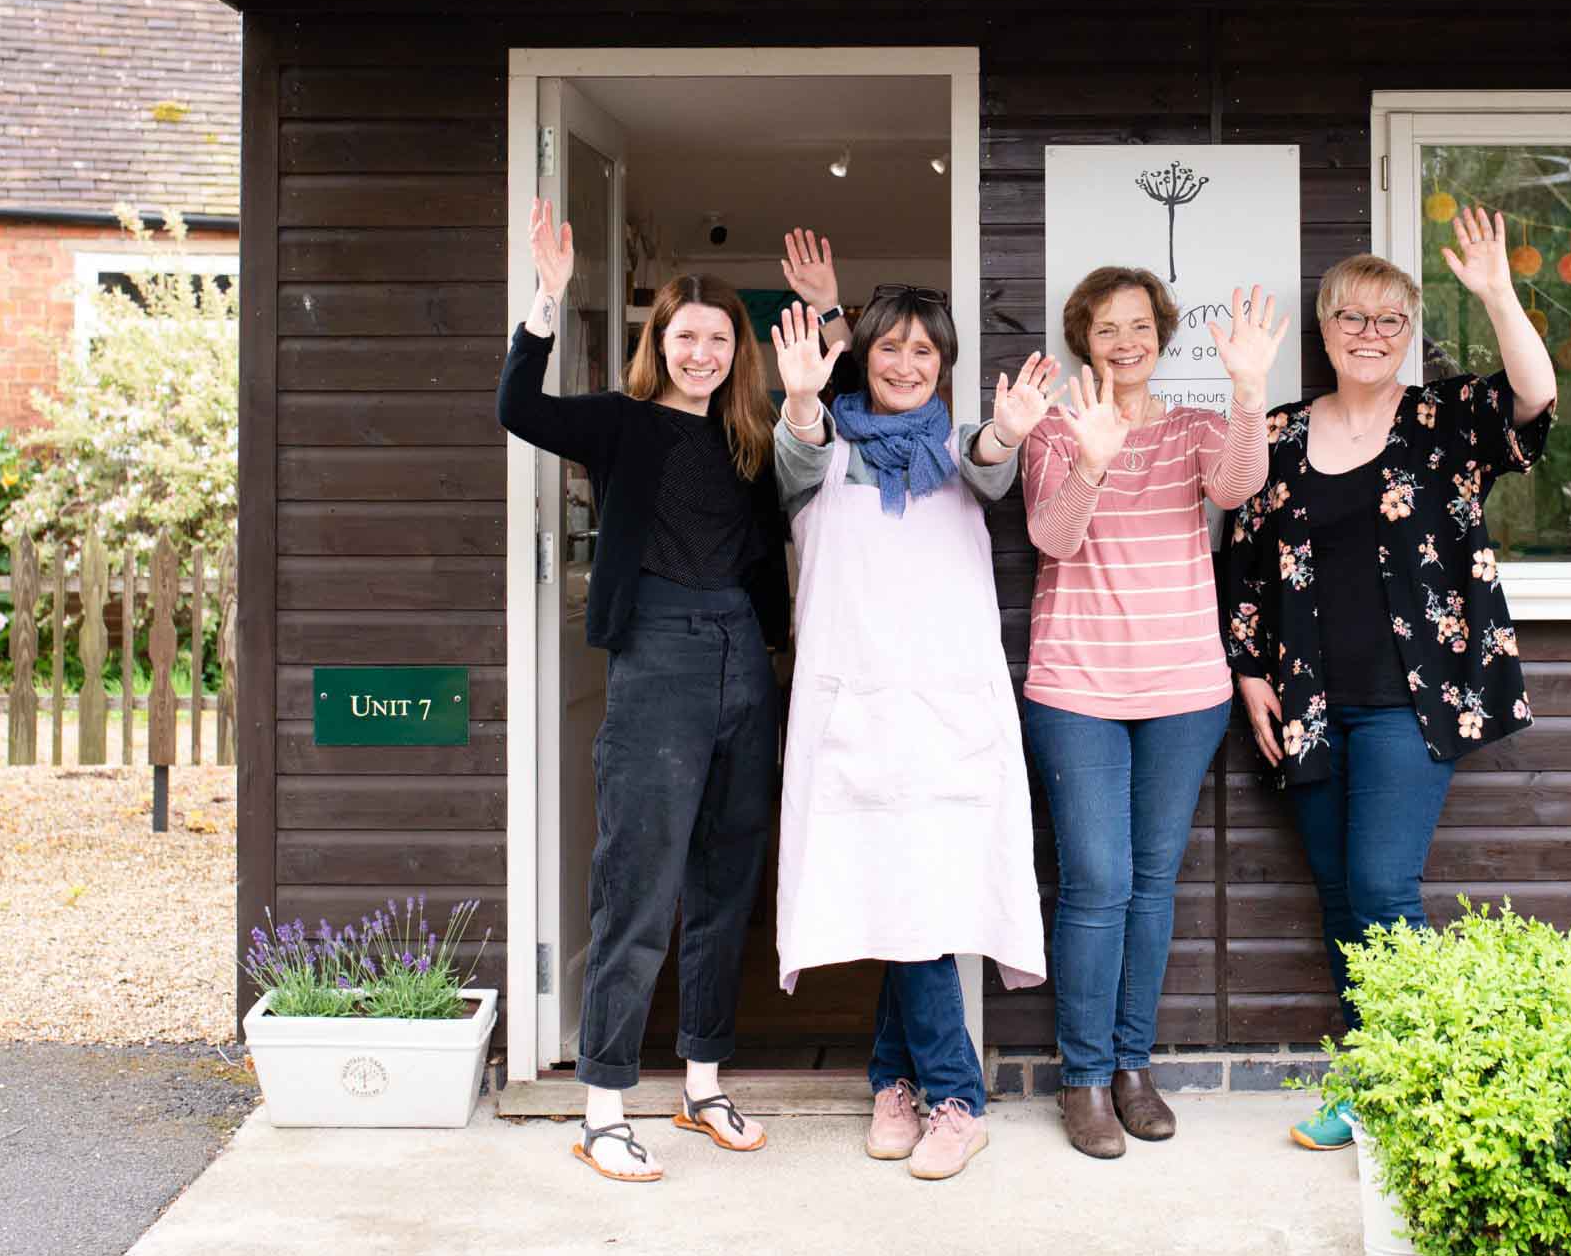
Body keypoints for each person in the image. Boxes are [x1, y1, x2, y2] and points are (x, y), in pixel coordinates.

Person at [1220, 208, 1557, 1153]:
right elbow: (1244, 558)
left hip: (1419, 696)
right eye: (1351, 319)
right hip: (1308, 696)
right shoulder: (1280, 435)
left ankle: (1411, 1076)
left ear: (1409, 333)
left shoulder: (1444, 418)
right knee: (1336, 888)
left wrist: (1495, 291)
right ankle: (1375, 1078)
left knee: (1381, 881)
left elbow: (1534, 397)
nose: (1369, 336)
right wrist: (1250, 671)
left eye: (1389, 321)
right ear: (1323, 330)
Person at [499, 198, 814, 1183]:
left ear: (738, 349)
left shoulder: (754, 437)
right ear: (659, 340)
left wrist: (827, 321)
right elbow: (518, 407)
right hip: (657, 659)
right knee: (637, 880)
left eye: (720, 336)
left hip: (741, 658)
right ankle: (602, 1103)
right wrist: (545, 300)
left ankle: (701, 1082)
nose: (703, 350)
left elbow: (805, 488)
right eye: (686, 335)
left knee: (727, 882)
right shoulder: (619, 423)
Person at [768, 286, 1060, 1181]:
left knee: (922, 893)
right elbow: (797, 455)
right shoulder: (823, 451)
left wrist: (1008, 433)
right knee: (900, 892)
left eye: (925, 353)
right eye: (889, 349)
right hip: (855, 707)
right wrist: (804, 398)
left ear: (946, 365)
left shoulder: (960, 450)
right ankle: (920, 1087)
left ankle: (935, 1094)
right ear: (863, 355)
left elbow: (987, 463)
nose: (905, 365)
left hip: (944, 713)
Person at [1019, 266, 1287, 1158]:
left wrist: (1249, 392)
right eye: (1106, 330)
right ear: (1082, 341)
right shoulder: (1053, 428)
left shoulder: (1197, 427)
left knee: (1152, 882)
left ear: (1162, 335)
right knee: (1097, 882)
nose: (1125, 341)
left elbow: (1239, 487)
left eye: (1139, 325)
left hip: (1184, 692)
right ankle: (1085, 1077)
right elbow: (1052, 536)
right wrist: (1094, 455)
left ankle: (1134, 1065)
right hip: (1078, 689)